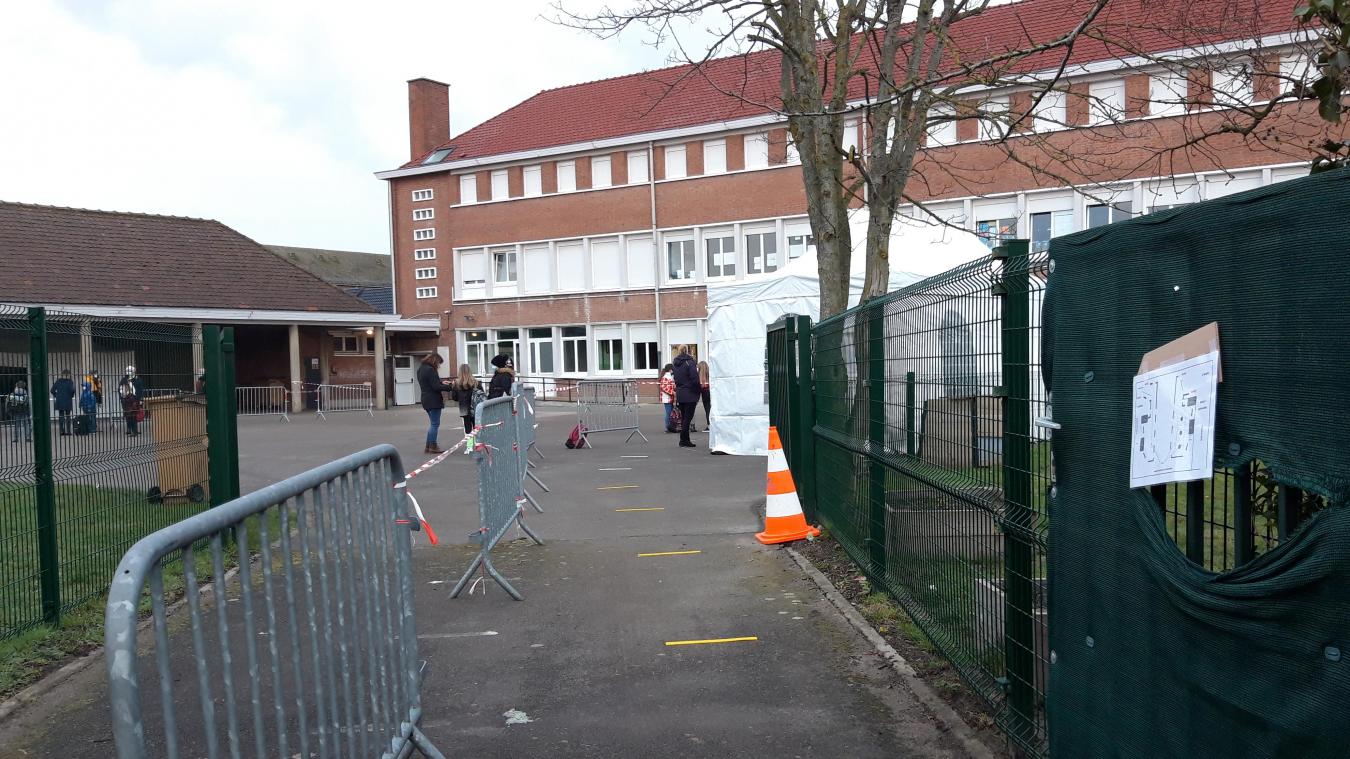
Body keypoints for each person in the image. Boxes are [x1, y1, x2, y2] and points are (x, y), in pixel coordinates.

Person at [417, 353, 451, 454]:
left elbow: (430, 384)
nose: (439, 366)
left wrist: (441, 383)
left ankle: (428, 447)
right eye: (439, 363)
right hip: (433, 400)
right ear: (435, 361)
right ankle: (433, 446)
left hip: (425, 399)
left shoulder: (421, 369)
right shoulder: (430, 370)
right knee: (435, 424)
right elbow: (436, 387)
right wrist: (451, 387)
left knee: (433, 424)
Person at [673, 346, 700, 448]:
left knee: (684, 417)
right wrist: (697, 391)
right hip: (690, 393)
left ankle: (684, 439)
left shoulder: (675, 364)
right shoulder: (690, 362)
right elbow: (695, 379)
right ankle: (684, 439)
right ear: (687, 350)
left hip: (680, 393)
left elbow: (676, 378)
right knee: (688, 418)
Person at [450, 363, 483, 434]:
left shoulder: (456, 383)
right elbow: (481, 395)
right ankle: (477, 442)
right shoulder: (476, 382)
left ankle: (469, 444)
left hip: (463, 408)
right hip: (475, 407)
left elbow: (454, 397)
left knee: (467, 428)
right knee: (476, 426)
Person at [118, 366, 145, 436]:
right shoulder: (124, 379)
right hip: (126, 401)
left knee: (134, 415)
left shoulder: (137, 379)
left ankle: (134, 431)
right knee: (128, 416)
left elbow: (140, 390)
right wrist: (122, 398)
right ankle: (129, 429)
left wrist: (141, 399)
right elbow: (120, 390)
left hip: (135, 400)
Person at [51, 369, 76, 436]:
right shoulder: (70, 382)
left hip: (59, 400)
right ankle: (68, 431)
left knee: (61, 415)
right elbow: (72, 390)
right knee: (68, 416)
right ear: (68, 375)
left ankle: (62, 431)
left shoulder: (58, 381)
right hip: (68, 400)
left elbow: (52, 390)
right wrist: (71, 395)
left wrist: (56, 395)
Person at [659, 363, 676, 433]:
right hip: (667, 398)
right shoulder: (666, 377)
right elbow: (664, 388)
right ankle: (667, 427)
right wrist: (673, 392)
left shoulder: (669, 377)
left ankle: (669, 427)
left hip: (669, 398)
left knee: (670, 412)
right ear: (670, 370)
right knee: (668, 413)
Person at [697, 360, 712, 428]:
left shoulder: (699, 375)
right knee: (711, 409)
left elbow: (700, 387)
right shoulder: (710, 373)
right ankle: (711, 424)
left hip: (704, 393)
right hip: (710, 392)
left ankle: (709, 425)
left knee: (707, 409)